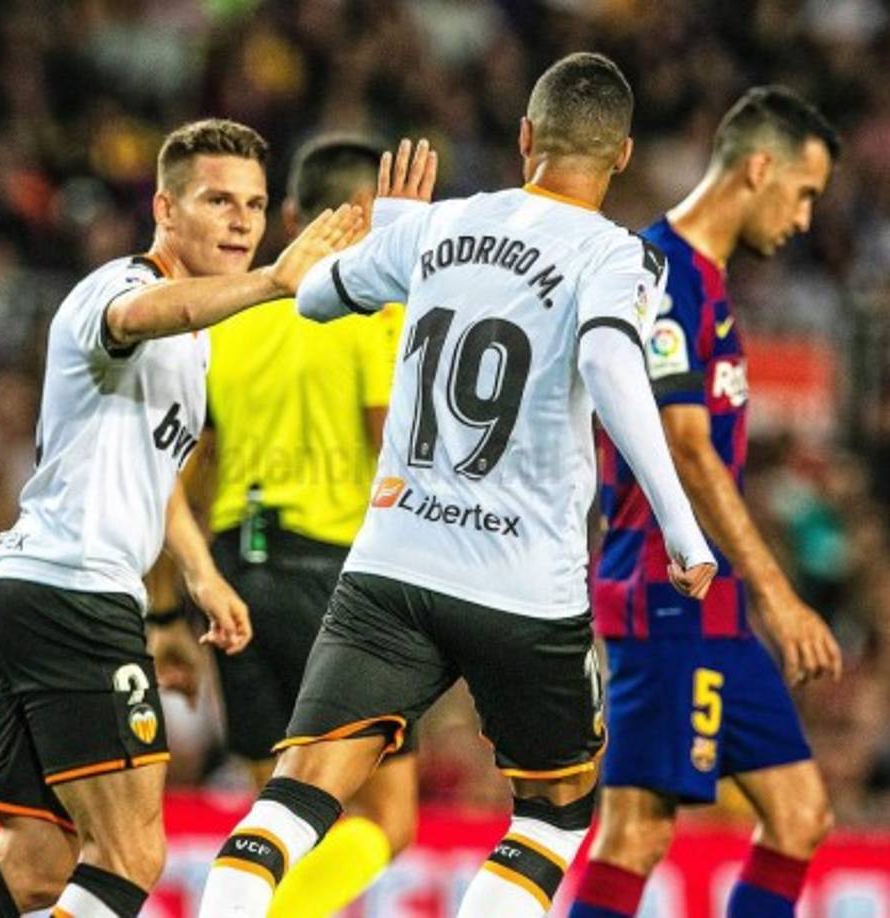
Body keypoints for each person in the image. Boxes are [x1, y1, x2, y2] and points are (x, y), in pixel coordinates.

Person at [199, 52, 716, 918]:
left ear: (525, 138)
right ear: (622, 156)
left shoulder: (437, 227)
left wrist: (396, 238)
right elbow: (605, 357)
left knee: (295, 797)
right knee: (554, 818)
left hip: (392, 568)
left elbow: (318, 297)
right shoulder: (614, 254)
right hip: (523, 589)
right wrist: (683, 528)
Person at [0, 118, 360, 918]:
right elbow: (138, 317)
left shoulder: (202, 340)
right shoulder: (117, 287)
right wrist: (275, 282)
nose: (242, 220)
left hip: (44, 591)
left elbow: (159, 480)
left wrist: (199, 575)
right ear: (164, 207)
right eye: (217, 199)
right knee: (131, 855)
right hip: (72, 594)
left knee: (39, 862)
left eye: (253, 203)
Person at [569, 87, 843, 918]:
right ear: (758, 167)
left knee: (800, 816)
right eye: (803, 192)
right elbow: (687, 447)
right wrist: (781, 595)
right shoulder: (660, 273)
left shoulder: (706, 283)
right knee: (635, 836)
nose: (804, 217)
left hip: (709, 603)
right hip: (665, 592)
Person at [195, 135, 421, 918]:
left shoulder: (230, 312)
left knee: (282, 821)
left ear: (291, 212)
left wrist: (171, 598)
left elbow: (194, 462)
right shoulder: (369, 310)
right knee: (389, 818)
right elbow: (390, 441)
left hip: (233, 577)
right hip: (331, 580)